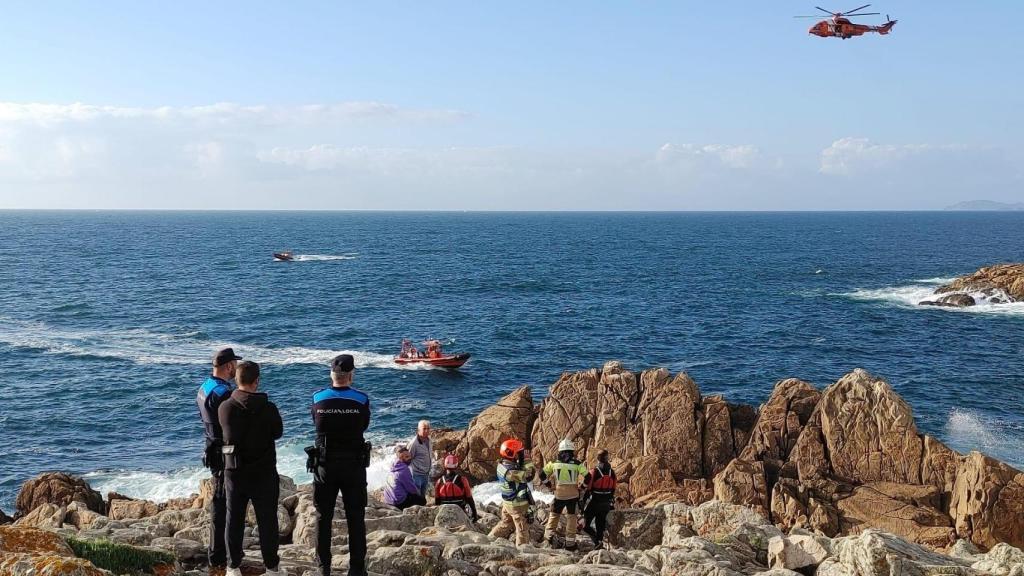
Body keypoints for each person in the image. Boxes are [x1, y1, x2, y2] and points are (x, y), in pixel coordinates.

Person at [218, 361, 283, 576]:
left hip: (235, 472)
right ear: (257, 381)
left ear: (236, 380)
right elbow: (277, 433)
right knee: (267, 520)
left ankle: (233, 566)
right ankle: (271, 568)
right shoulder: (268, 407)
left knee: (233, 518)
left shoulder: (225, 407)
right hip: (263, 472)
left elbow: (224, 434)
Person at [311, 354, 371, 576]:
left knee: (322, 516)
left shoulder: (318, 398)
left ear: (331, 374)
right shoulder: (361, 399)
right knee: (355, 517)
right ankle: (356, 568)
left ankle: (323, 567)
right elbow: (364, 425)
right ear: (351, 375)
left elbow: (316, 423)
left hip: (325, 465)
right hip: (353, 465)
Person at [195, 347, 241, 568]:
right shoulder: (223, 392)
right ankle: (220, 556)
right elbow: (232, 422)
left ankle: (218, 552)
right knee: (224, 503)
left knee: (219, 500)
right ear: (229, 366)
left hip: (210, 446)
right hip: (224, 451)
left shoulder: (205, 387)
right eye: (235, 365)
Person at [539, 439, 587, 550]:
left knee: (554, 515)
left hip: (559, 494)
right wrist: (582, 487)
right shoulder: (577, 464)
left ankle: (548, 539)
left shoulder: (554, 463)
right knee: (572, 518)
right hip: (573, 495)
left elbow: (541, 474)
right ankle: (570, 543)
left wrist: (549, 485)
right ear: (572, 451)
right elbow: (588, 477)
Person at [488, 438, 536, 546]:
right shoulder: (511, 472)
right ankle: (522, 552)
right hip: (517, 505)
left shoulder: (501, 465)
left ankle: (489, 539)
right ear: (512, 454)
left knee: (506, 523)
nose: (519, 455)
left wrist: (520, 459)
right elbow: (529, 476)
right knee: (522, 531)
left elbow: (517, 469)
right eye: (518, 453)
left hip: (507, 503)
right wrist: (527, 460)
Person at [581, 449, 617, 550]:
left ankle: (597, 541)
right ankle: (600, 544)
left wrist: (582, 504)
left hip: (595, 502)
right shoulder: (612, 473)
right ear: (607, 458)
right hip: (606, 504)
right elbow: (613, 489)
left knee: (585, 525)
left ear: (598, 459)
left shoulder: (595, 472)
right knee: (600, 525)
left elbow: (588, 489)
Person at [434, 454, 478, 521]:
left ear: (445, 465)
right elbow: (469, 499)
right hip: (459, 510)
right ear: (456, 465)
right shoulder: (463, 479)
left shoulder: (439, 481)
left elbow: (437, 501)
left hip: (444, 511)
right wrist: (475, 515)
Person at [406, 420, 432, 497]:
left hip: (426, 474)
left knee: (423, 496)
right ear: (418, 430)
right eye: (424, 428)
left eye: (428, 428)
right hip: (416, 475)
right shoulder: (414, 443)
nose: (427, 430)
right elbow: (407, 459)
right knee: (417, 497)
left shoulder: (429, 440)